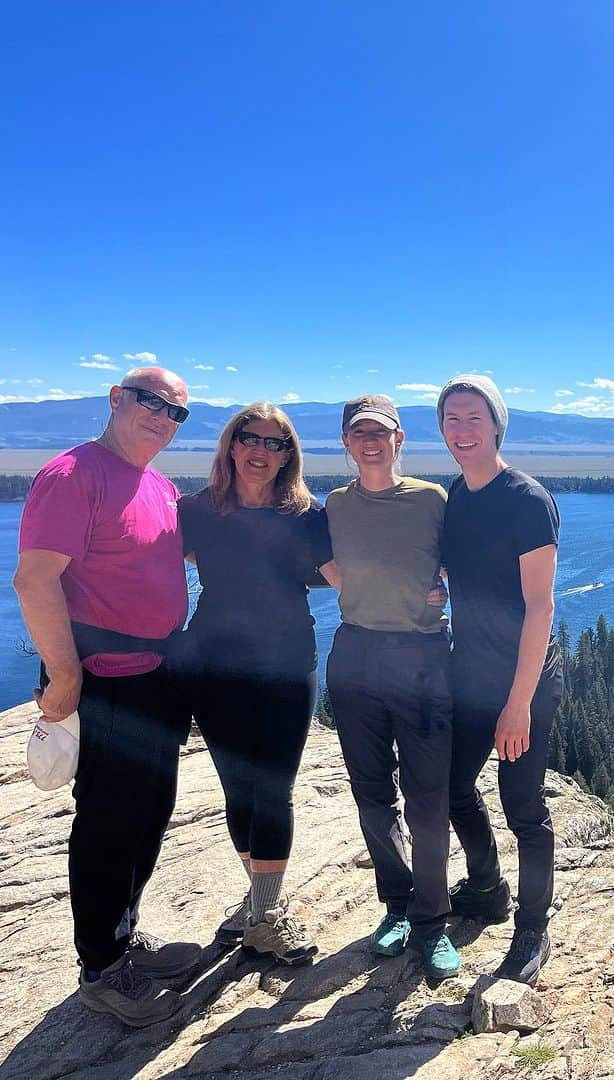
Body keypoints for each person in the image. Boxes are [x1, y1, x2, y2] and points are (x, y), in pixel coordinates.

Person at [13, 366, 201, 1028]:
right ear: (116, 398)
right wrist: (64, 676)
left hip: (156, 678)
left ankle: (123, 937)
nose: (162, 417)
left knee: (151, 812)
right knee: (108, 822)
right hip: (105, 681)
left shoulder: (157, 484)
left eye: (176, 412)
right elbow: (34, 581)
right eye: (152, 403)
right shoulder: (73, 475)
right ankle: (100, 967)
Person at [178, 402, 332, 965]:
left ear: (289, 455)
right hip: (214, 667)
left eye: (276, 443)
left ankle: (265, 917)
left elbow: (350, 576)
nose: (262, 452)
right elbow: (147, 563)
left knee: (273, 789)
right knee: (238, 791)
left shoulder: (307, 516)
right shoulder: (197, 509)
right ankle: (259, 899)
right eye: (252, 439)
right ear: (231, 444)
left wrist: (428, 588)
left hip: (288, 666)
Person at [322, 394, 461, 981]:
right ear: (347, 443)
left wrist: (446, 586)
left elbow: (466, 557)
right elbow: (303, 550)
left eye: (381, 432)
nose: (371, 442)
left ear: (400, 438)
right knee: (372, 793)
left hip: (422, 656)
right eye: (359, 434)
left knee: (427, 799)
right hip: (356, 653)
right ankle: (396, 907)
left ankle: (433, 923)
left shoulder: (432, 499)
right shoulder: (332, 504)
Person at [436, 375, 563, 986]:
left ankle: (532, 929)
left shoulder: (527, 500)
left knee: (524, 809)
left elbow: (541, 608)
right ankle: (487, 886)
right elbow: (460, 575)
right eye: (452, 419)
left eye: (473, 418)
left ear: (496, 425)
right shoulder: (455, 497)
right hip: (470, 674)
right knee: (452, 785)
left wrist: (519, 707)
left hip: (525, 681)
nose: (462, 430)